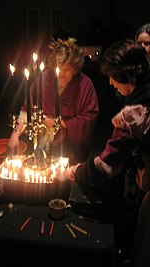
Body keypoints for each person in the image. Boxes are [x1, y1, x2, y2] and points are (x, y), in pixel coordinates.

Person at [67, 38, 150, 260]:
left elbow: (108, 163)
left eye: (112, 77)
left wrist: (77, 172)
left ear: (125, 75)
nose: (111, 84)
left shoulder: (136, 114)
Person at [8, 37, 99, 164]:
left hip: (69, 149)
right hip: (41, 142)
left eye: (66, 70)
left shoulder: (85, 85)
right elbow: (27, 109)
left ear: (76, 69)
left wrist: (60, 122)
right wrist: (15, 134)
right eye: (58, 69)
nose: (61, 74)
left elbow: (90, 119)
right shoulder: (43, 79)